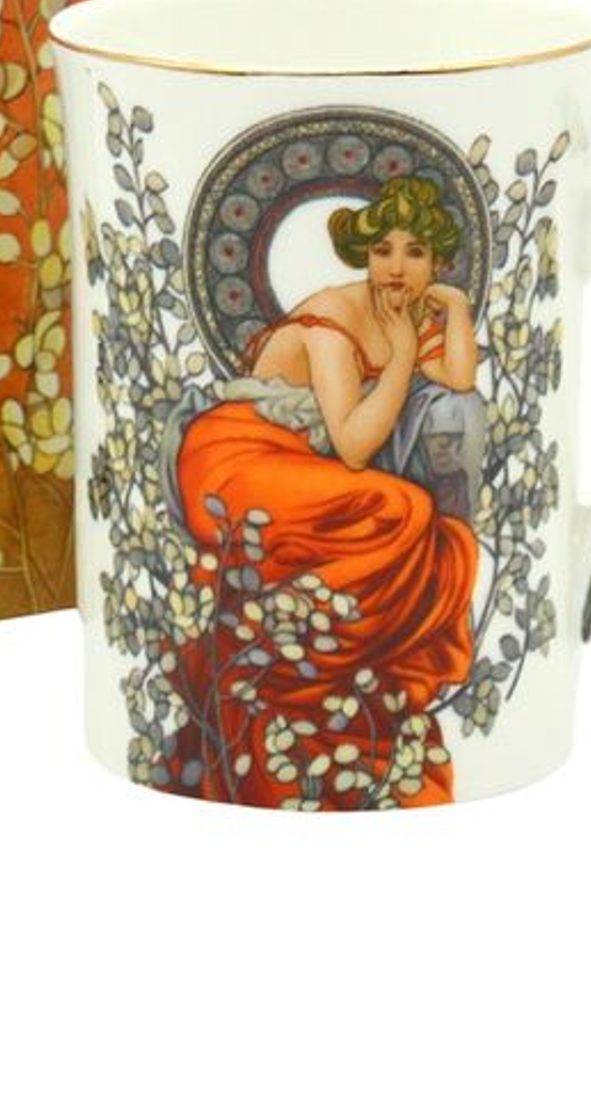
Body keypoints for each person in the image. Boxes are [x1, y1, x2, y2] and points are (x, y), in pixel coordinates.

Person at [163, 174, 481, 809]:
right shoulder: (333, 318)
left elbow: (459, 378)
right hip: (237, 455)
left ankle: (329, 658)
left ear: (437, 262)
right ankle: (293, 660)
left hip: (296, 466)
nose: (396, 267)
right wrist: (398, 357)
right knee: (399, 507)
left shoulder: (407, 312)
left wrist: (456, 310)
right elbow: (355, 445)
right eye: (382, 250)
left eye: (415, 252)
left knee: (431, 529)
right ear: (363, 255)